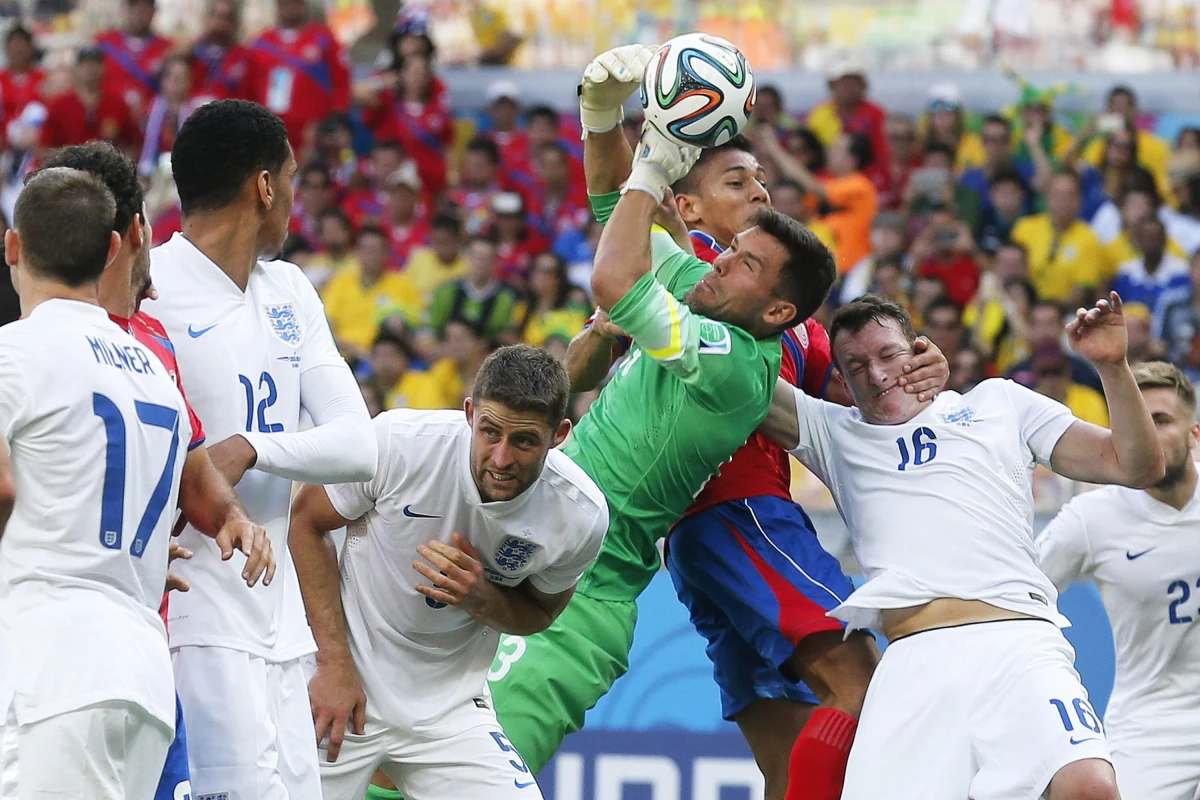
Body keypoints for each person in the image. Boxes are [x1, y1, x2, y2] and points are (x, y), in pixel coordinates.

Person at [566, 119, 946, 800]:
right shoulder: (701, 273)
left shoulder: (791, 307)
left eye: (762, 177)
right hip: (742, 513)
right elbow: (617, 215)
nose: (760, 188)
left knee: (790, 752)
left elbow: (868, 404)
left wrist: (918, 371)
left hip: (706, 537)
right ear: (687, 208)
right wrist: (620, 129)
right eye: (736, 181)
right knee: (865, 684)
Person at [760, 292, 1164, 800]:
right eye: (857, 365)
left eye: (888, 354)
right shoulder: (833, 432)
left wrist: (1112, 367)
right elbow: (727, 373)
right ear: (841, 381)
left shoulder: (1000, 402)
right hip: (914, 664)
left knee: (1090, 787)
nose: (878, 375)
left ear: (920, 349)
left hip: (1020, 646)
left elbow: (1137, 467)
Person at [0, 167, 274, 799]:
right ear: (114, 250)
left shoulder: (17, 353)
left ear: (13, 247)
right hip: (142, 675)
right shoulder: (154, 374)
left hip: (51, 663)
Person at [142, 99, 377, 799]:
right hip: (197, 619)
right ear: (264, 186)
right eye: (293, 179)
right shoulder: (148, 294)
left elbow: (357, 443)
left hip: (284, 628)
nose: (295, 199)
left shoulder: (291, 290)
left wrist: (252, 448)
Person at [294, 345, 607, 799]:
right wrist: (334, 663)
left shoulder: (579, 514)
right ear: (468, 413)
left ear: (559, 434)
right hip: (345, 685)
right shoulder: (399, 443)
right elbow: (305, 523)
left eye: (523, 441)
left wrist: (482, 597)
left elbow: (539, 614)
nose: (500, 458)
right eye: (490, 432)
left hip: (452, 711)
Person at [1036, 361, 1200, 800]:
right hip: (1152, 726)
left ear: (1194, 434)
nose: (1149, 436)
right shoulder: (1093, 519)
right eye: (1137, 423)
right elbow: (1021, 596)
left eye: (1161, 421)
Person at [250, 0, 350, 148]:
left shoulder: (323, 39)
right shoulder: (261, 43)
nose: (289, 7)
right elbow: (249, 88)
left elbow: (342, 83)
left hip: (312, 134)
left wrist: (332, 122)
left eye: (295, 3)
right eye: (284, 3)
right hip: (270, 132)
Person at [94, 0, 174, 118]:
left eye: (145, 6)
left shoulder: (168, 48)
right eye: (133, 5)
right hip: (110, 118)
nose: (139, 11)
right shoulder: (102, 43)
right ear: (124, 9)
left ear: (154, 11)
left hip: (152, 121)